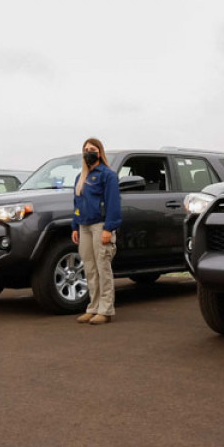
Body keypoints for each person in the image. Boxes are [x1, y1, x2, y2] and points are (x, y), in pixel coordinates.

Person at [72, 138, 122, 324]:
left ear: (99, 152)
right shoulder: (81, 177)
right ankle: (92, 308)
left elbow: (113, 203)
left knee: (103, 267)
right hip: (84, 226)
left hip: (100, 225)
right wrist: (75, 225)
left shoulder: (107, 175)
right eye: (85, 149)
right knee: (90, 269)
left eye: (92, 149)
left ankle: (106, 310)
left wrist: (109, 228)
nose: (88, 152)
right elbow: (77, 204)